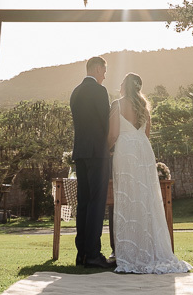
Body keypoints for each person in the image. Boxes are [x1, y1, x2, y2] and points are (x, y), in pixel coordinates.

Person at [108, 73, 193, 274]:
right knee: (146, 199)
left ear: (125, 86)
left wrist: (106, 150)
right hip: (144, 152)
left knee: (128, 198)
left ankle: (131, 252)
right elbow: (146, 135)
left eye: (121, 83)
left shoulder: (117, 105)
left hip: (126, 152)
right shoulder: (145, 108)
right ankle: (151, 249)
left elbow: (112, 134)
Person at [70, 56, 113, 269]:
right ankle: (94, 255)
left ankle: (82, 255)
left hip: (80, 153)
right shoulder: (99, 91)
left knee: (84, 203)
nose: (105, 75)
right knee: (97, 203)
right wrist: (110, 146)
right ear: (97, 69)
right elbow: (105, 122)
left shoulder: (75, 92)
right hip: (98, 153)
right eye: (104, 71)